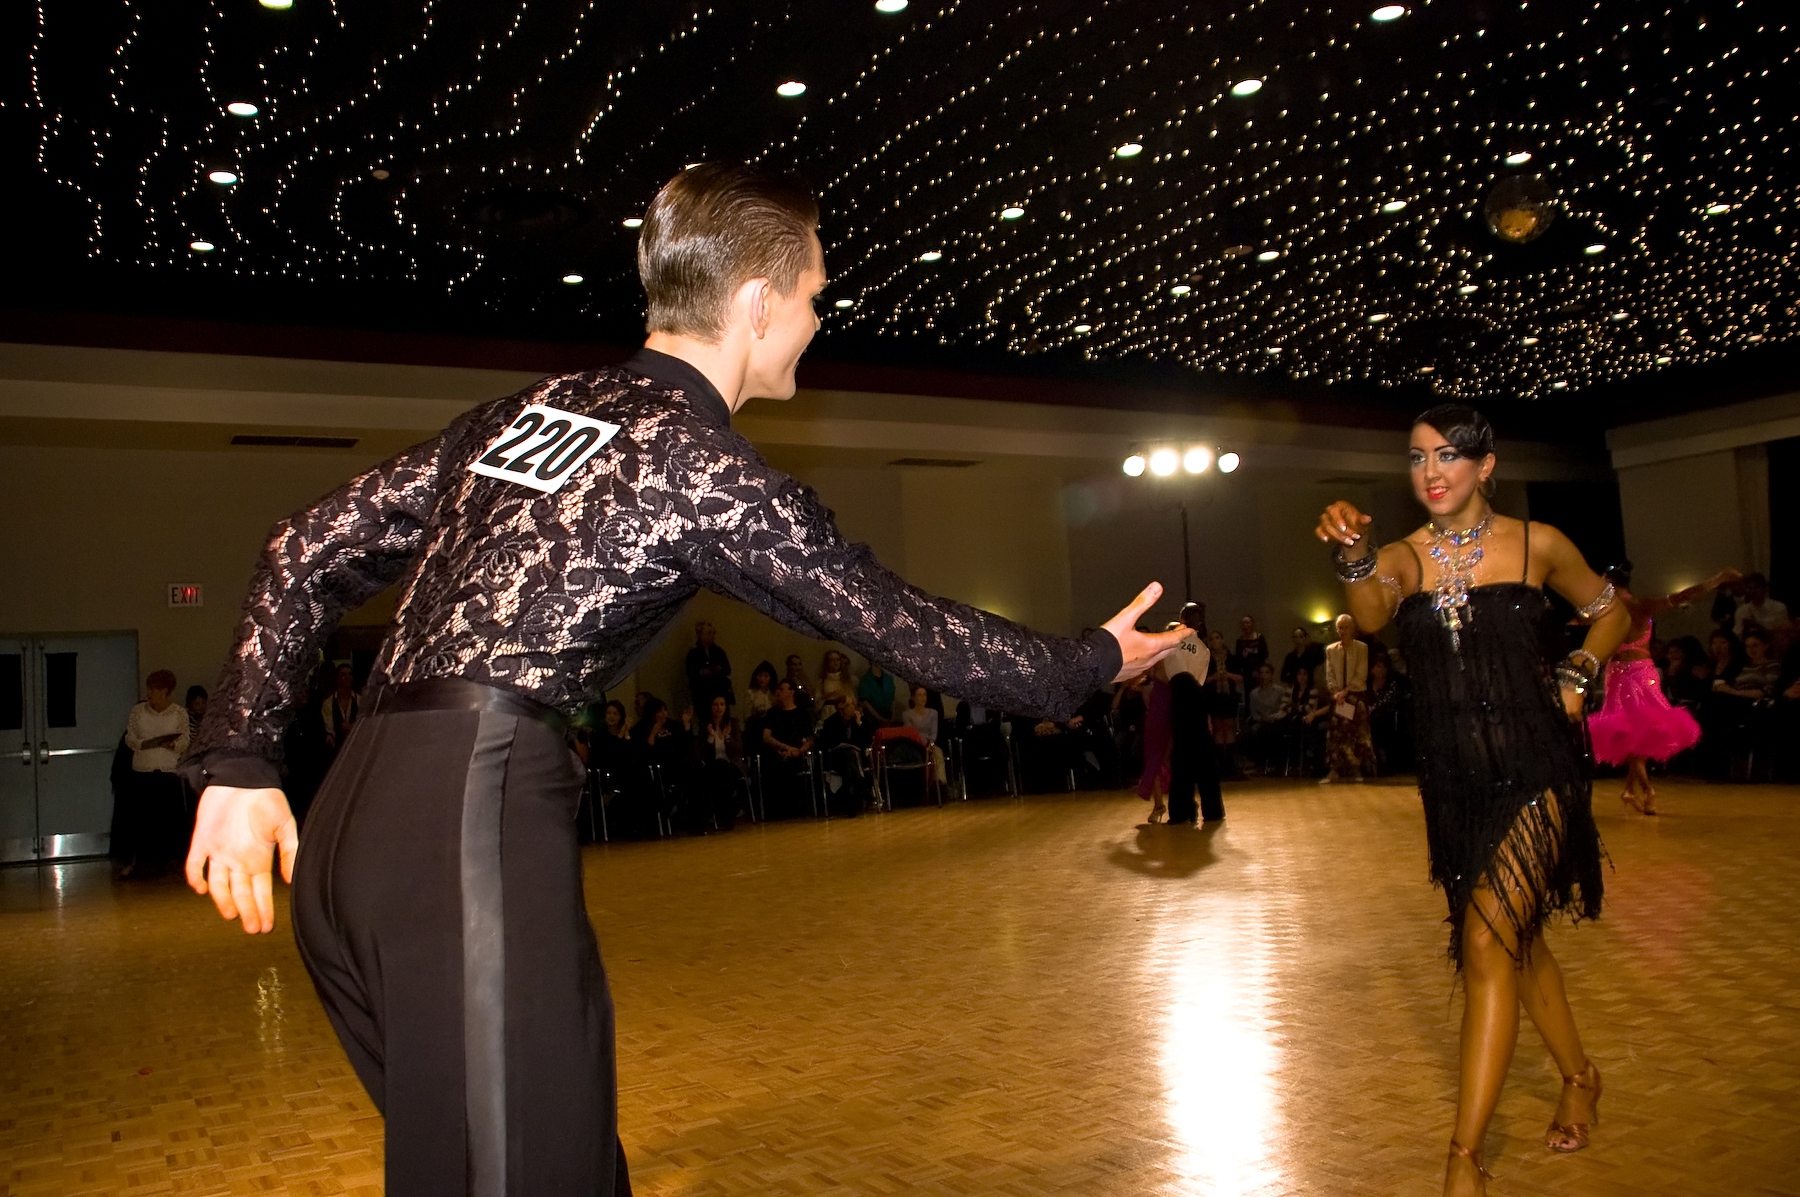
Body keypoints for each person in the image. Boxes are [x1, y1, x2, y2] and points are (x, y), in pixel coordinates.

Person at [181, 162, 1186, 1197]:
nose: (813, 322)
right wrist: (1092, 661)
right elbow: (895, 622)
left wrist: (242, 764)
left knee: (517, 1161)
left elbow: (305, 544)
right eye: (812, 298)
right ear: (757, 304)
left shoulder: (525, 415)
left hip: (353, 829)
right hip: (466, 826)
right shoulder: (695, 462)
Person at [1316, 403, 1629, 1195]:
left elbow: (1610, 609)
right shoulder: (1405, 557)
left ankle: (1463, 1160)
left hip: (1538, 770)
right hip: (1454, 786)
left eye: (1448, 455)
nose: (1431, 472)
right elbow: (1372, 609)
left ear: (1485, 465)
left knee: (1488, 942)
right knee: (1517, 945)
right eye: (1418, 457)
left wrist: (1582, 670)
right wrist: (1354, 555)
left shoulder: (1537, 544)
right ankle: (1580, 1073)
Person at [1588, 565, 1737, 814]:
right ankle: (1634, 789)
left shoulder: (1608, 609)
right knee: (1633, 732)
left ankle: (1644, 790)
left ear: (1610, 583)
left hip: (1628, 675)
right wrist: (1716, 579)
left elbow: (1683, 596)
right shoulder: (1633, 606)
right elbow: (1683, 596)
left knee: (1637, 731)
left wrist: (1717, 579)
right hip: (1636, 672)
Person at [122, 670, 190, 876]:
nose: (150, 692)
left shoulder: (179, 713)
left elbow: (185, 740)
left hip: (168, 770)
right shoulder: (138, 712)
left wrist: (174, 744)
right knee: (141, 820)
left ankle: (174, 862)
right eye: (149, 688)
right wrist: (143, 743)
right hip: (143, 771)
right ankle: (138, 863)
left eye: (154, 689)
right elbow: (130, 738)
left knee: (170, 819)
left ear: (165, 691)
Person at [1322, 613, 1376, 783]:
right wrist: (1336, 692)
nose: (1342, 631)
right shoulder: (1331, 650)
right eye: (1340, 627)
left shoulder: (1361, 648)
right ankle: (1335, 769)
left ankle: (1357, 768)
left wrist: (1346, 692)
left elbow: (1361, 674)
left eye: (1346, 627)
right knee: (1336, 731)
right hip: (1338, 695)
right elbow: (1329, 674)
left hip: (1355, 693)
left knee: (1357, 731)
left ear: (1352, 629)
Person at [760, 678, 820, 816]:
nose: (778, 692)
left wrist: (799, 751)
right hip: (778, 752)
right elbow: (766, 737)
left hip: (799, 753)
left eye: (782, 689)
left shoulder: (802, 713)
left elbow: (810, 738)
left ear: (791, 692)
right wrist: (787, 748)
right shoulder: (772, 713)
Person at [692, 694, 744, 832]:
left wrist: (727, 737)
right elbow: (702, 753)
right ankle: (729, 811)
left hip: (731, 765)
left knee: (722, 768)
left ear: (726, 707)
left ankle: (727, 813)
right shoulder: (705, 725)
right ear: (710, 707)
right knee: (718, 770)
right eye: (715, 704)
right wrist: (710, 738)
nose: (718, 708)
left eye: (722, 704)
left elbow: (738, 749)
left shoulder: (733, 723)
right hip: (713, 767)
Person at [816, 693, 873, 813]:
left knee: (851, 756)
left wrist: (859, 724)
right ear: (841, 709)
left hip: (854, 760)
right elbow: (828, 744)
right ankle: (861, 785)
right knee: (850, 755)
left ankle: (850, 802)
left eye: (853, 704)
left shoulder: (859, 721)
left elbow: (866, 743)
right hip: (837, 759)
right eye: (848, 705)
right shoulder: (830, 723)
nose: (853, 707)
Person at [1136, 660, 1173, 823]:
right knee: (1153, 762)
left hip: (1171, 718)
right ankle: (1159, 805)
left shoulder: (1171, 668)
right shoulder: (1150, 673)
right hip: (1154, 720)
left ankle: (1179, 804)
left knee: (1169, 760)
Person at [1366, 651, 1413, 775]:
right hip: (1368, 718)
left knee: (1378, 722)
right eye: (1378, 666)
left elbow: (1386, 702)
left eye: (1384, 667)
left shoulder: (1392, 684)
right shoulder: (1367, 685)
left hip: (1387, 719)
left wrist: (1371, 709)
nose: (1382, 670)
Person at [1243, 661, 1291, 774]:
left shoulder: (1280, 691)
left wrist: (1273, 718)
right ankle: (1260, 762)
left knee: (1275, 732)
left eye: (1267, 673)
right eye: (1261, 673)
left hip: (1277, 720)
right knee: (1253, 731)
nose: (1264, 675)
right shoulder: (1253, 693)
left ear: (1272, 674)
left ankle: (1277, 763)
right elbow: (1253, 712)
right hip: (1261, 721)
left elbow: (1283, 708)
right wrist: (1262, 719)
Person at [901, 685, 948, 792]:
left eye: (924, 695)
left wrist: (929, 744)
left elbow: (933, 733)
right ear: (913, 698)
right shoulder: (907, 714)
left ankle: (939, 785)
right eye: (919, 695)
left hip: (929, 744)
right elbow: (910, 733)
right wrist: (922, 744)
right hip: (915, 745)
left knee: (938, 754)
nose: (923, 698)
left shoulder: (933, 713)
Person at [684, 620, 733, 712]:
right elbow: (691, 673)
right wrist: (702, 672)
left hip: (720, 694)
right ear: (700, 634)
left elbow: (727, 669)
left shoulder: (719, 652)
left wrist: (718, 669)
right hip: (703, 696)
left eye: (714, 633)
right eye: (709, 633)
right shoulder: (693, 654)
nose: (712, 635)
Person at [1731, 571, 1790, 638]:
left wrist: (1758, 626)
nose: (1753, 591)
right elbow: (1737, 635)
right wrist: (1744, 628)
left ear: (1765, 588)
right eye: (1750, 588)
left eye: (1756, 587)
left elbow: (1783, 633)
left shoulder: (1778, 608)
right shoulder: (1742, 611)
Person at [320, 664, 359, 758]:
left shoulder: (360, 701)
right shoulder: (328, 703)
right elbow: (329, 728)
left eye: (350, 674)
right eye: (343, 675)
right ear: (337, 678)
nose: (347, 677)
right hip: (337, 751)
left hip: (357, 748)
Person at [856, 660, 899, 726]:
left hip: (888, 715)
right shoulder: (865, 680)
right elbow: (865, 702)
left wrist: (893, 715)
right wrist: (879, 718)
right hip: (872, 719)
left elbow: (892, 698)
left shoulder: (889, 678)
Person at [1235, 615, 1270, 680]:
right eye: (1243, 623)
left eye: (1247, 623)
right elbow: (1238, 658)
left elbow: (1264, 654)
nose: (1245, 625)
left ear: (1252, 624)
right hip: (1246, 672)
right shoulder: (1240, 641)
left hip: (1260, 670)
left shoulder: (1260, 638)